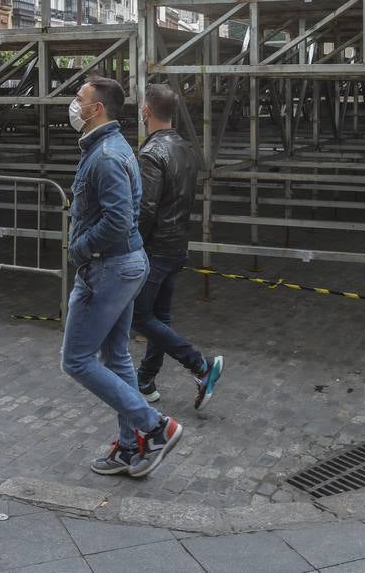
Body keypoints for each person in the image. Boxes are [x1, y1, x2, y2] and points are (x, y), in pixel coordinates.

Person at [61, 75, 183, 478]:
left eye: (79, 98)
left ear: (97, 109)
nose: (74, 104)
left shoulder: (108, 156)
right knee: (115, 358)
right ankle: (131, 448)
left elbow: (118, 219)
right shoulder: (108, 147)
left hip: (109, 269)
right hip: (124, 265)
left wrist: (80, 248)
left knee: (76, 360)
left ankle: (155, 427)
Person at [132, 83, 224, 410]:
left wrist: (134, 245)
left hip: (155, 249)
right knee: (160, 315)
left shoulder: (151, 153)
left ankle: (200, 364)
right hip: (177, 245)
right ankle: (145, 379)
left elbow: (146, 208)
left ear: (146, 112)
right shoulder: (185, 149)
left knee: (140, 318)